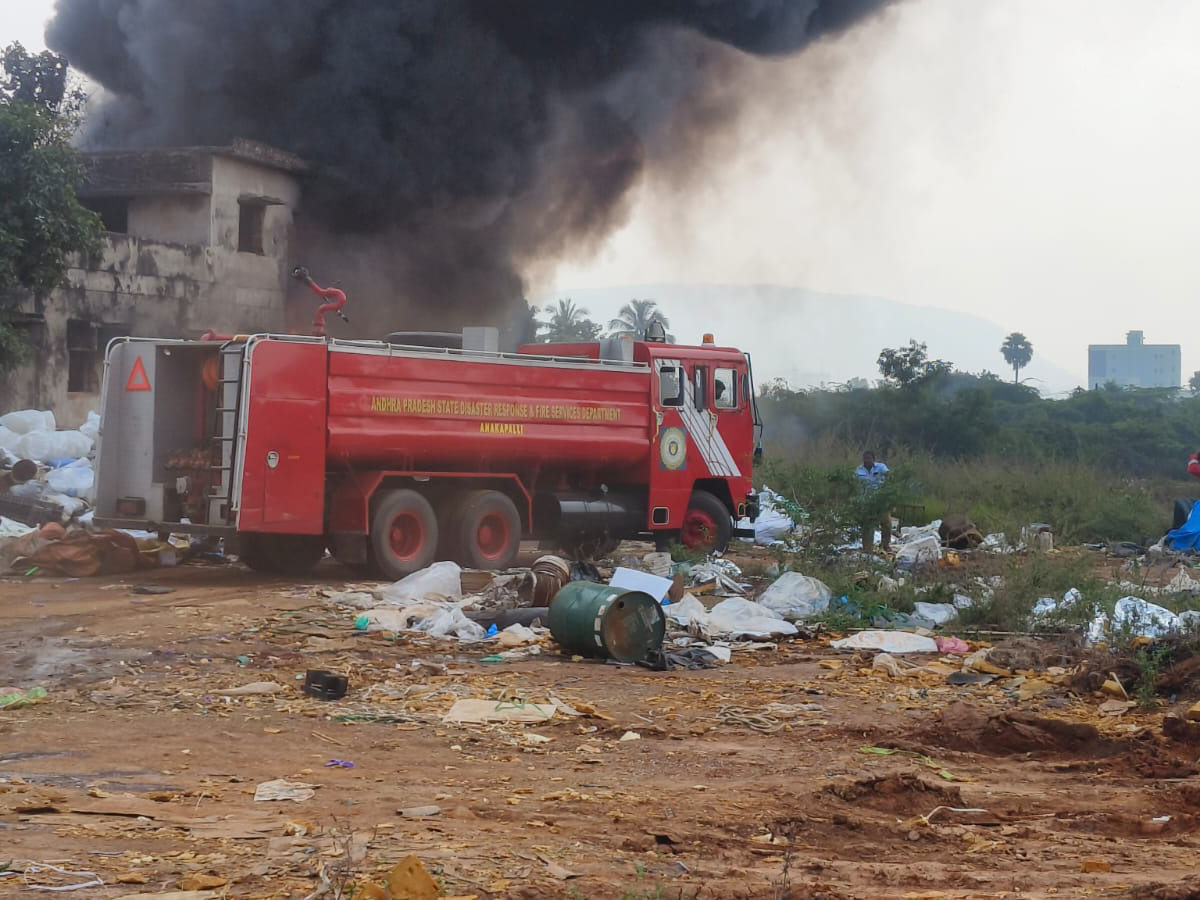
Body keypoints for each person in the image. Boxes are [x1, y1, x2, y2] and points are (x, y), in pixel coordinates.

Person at [855, 450, 891, 552]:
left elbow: (889, 475)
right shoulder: (859, 470)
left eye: (869, 458)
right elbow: (855, 483)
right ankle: (867, 548)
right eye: (865, 458)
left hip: (880, 500)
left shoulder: (881, 467)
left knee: (886, 523)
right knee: (868, 525)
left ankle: (885, 545)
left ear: (873, 459)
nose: (867, 460)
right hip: (866, 502)